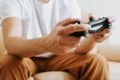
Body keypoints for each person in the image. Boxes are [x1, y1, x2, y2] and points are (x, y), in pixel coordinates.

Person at [0, 0, 113, 80]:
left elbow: (78, 49)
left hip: (59, 58)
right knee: (8, 63)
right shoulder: (12, 1)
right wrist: (46, 44)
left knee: (97, 61)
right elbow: (11, 43)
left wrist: (93, 37)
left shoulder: (69, 3)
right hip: (25, 57)